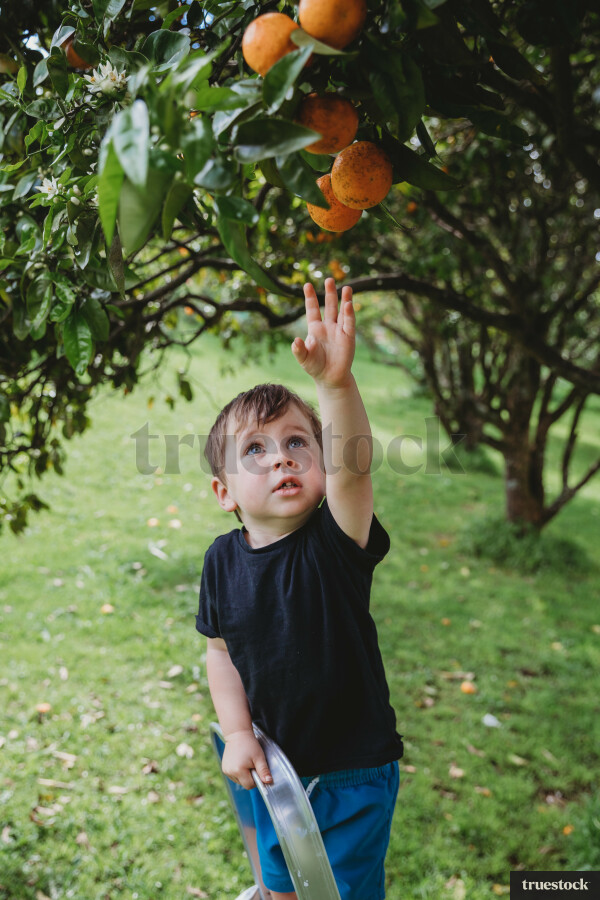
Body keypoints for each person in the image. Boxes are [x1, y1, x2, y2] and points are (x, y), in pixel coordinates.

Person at [196, 277, 404, 900]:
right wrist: (236, 732)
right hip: (276, 767)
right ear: (225, 492)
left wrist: (334, 385)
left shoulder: (333, 543)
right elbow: (220, 652)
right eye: (254, 450)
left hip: (352, 772)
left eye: (296, 444)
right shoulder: (222, 561)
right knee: (283, 885)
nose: (281, 458)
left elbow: (353, 471)